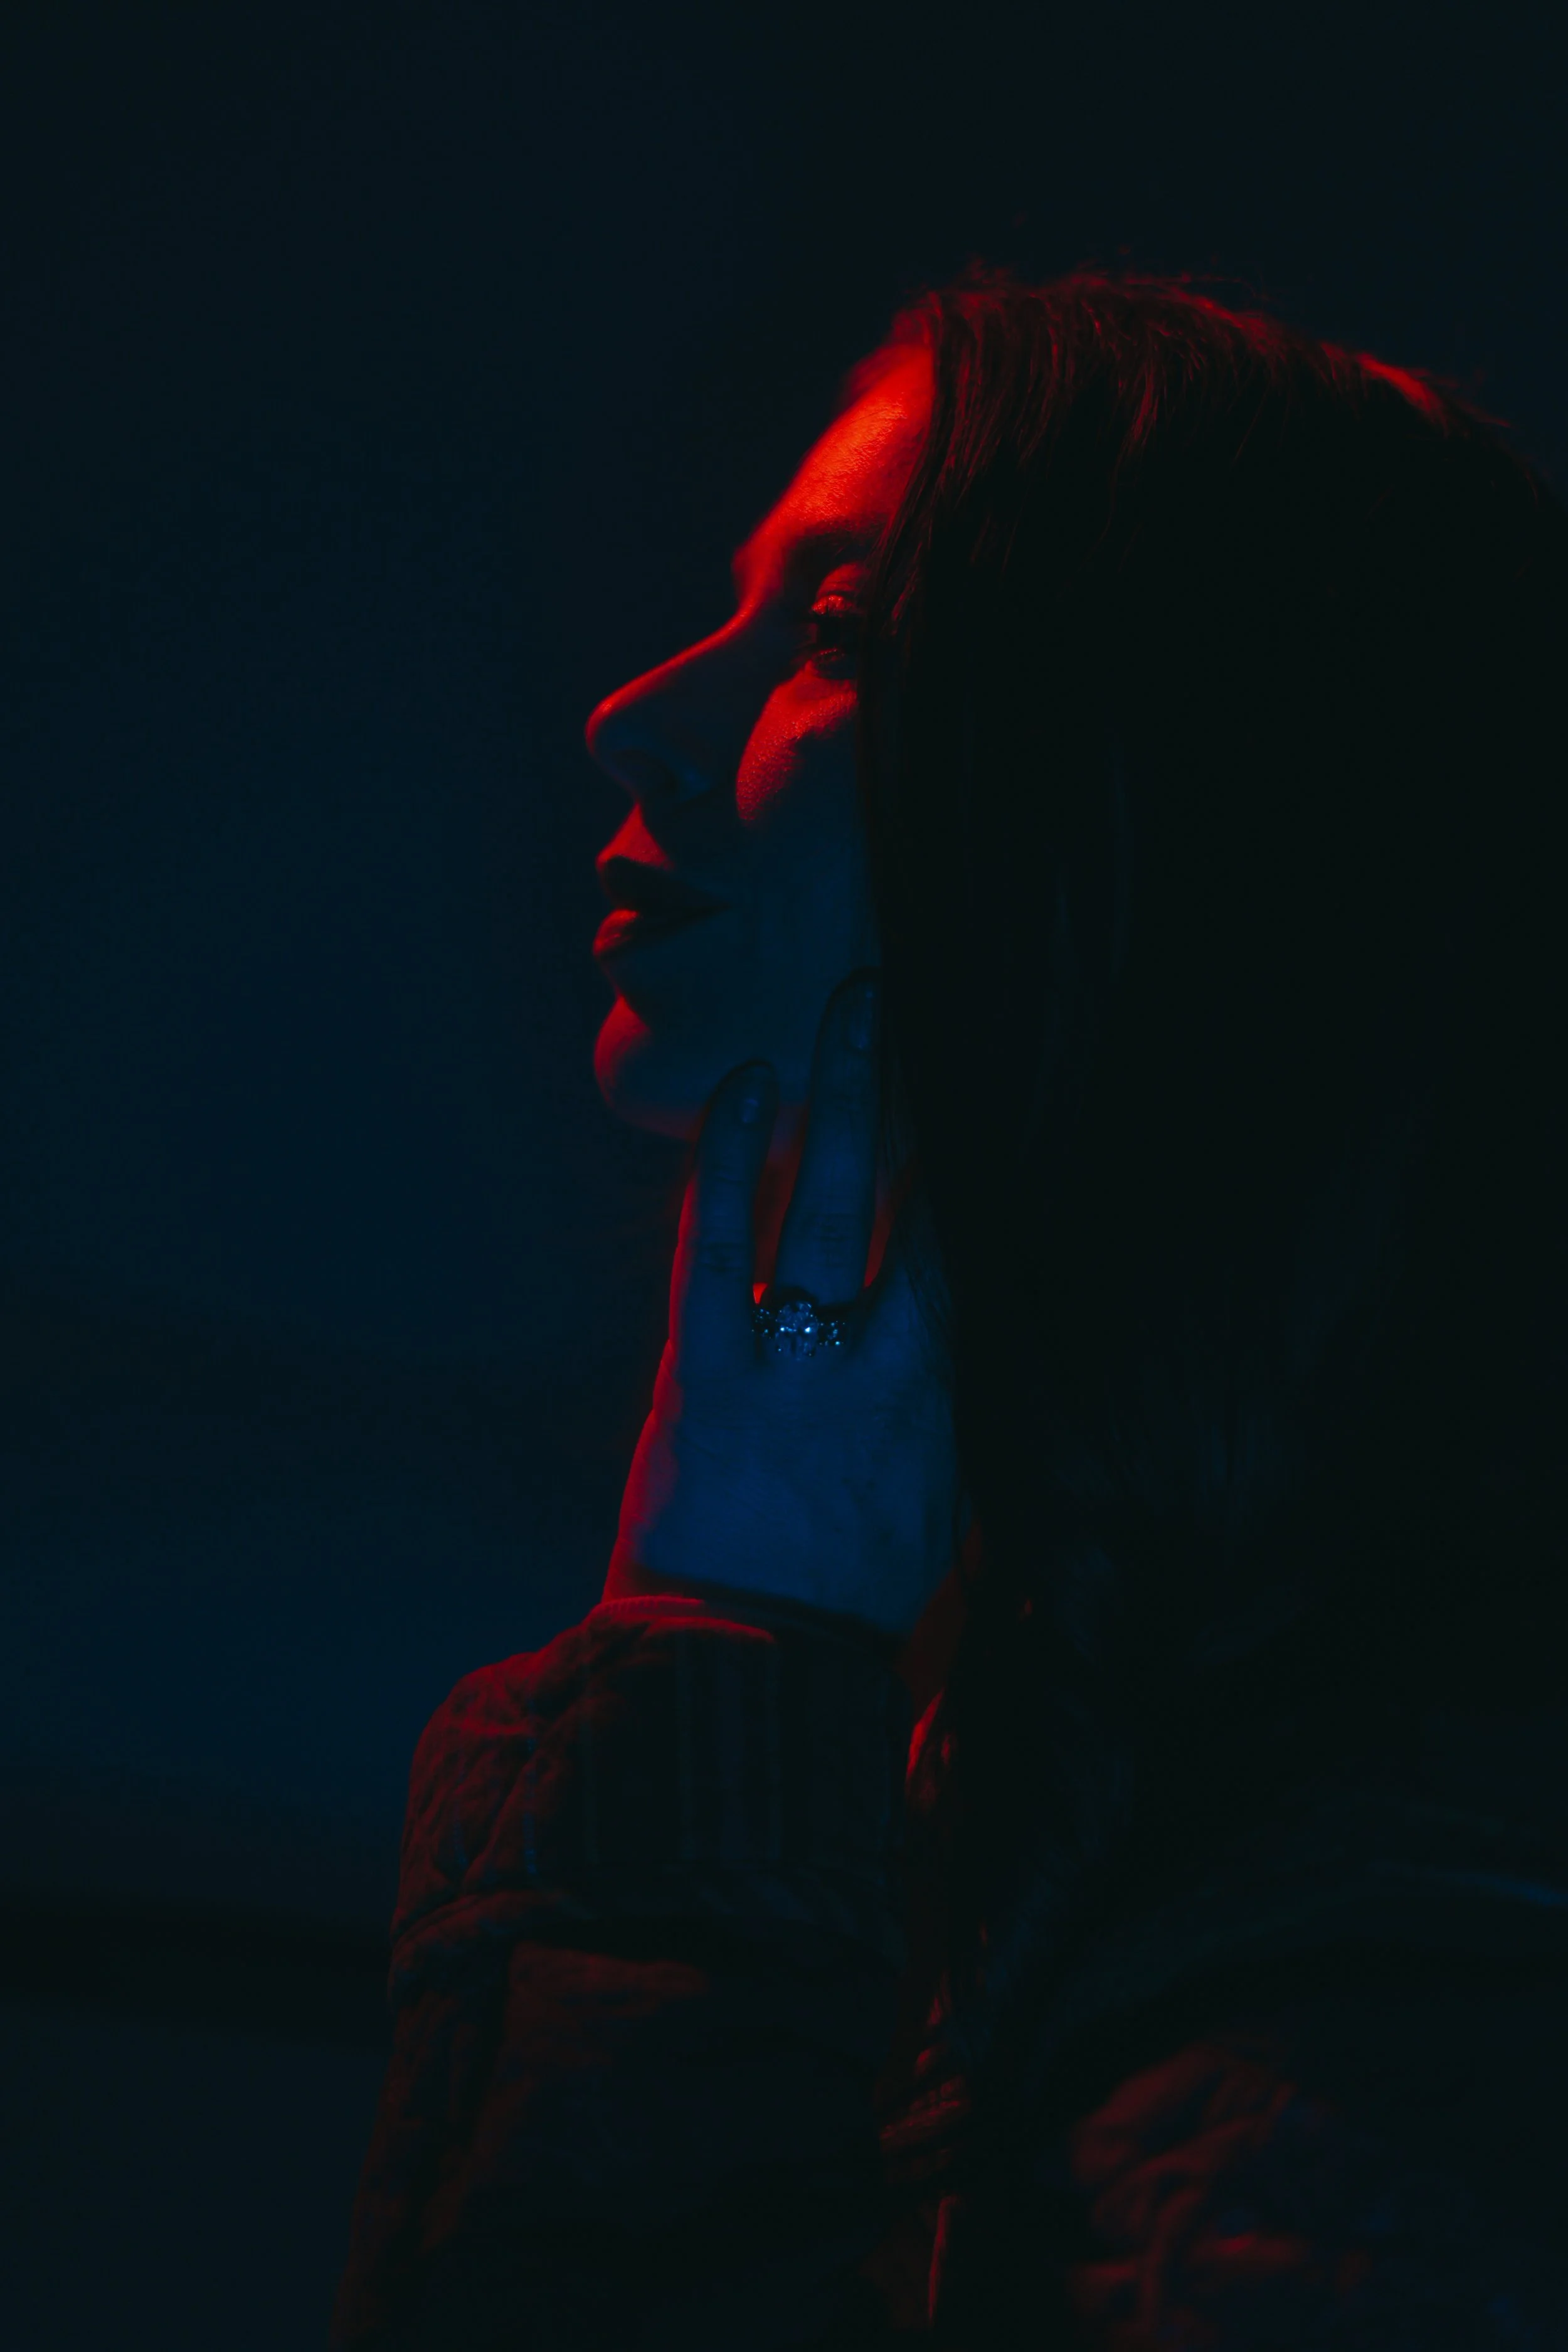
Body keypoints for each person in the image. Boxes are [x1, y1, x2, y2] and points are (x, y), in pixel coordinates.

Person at [332, 273, 1568, 2348]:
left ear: (1173, 801)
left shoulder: (1407, 1944)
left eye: (832, 629)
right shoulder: (1071, 1703)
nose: (632, 718)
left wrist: (725, 1685)